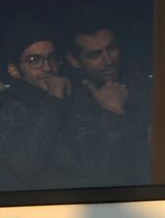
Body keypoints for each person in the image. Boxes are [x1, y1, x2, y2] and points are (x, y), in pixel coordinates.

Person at [0, 15, 80, 187]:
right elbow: (22, 164)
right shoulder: (12, 104)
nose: (48, 67)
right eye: (34, 60)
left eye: (52, 58)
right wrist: (54, 99)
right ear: (14, 70)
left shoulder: (61, 98)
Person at [63, 11, 152, 185]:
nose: (109, 60)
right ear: (74, 60)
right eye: (94, 55)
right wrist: (113, 111)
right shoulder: (71, 103)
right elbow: (100, 176)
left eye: (111, 48)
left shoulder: (137, 82)